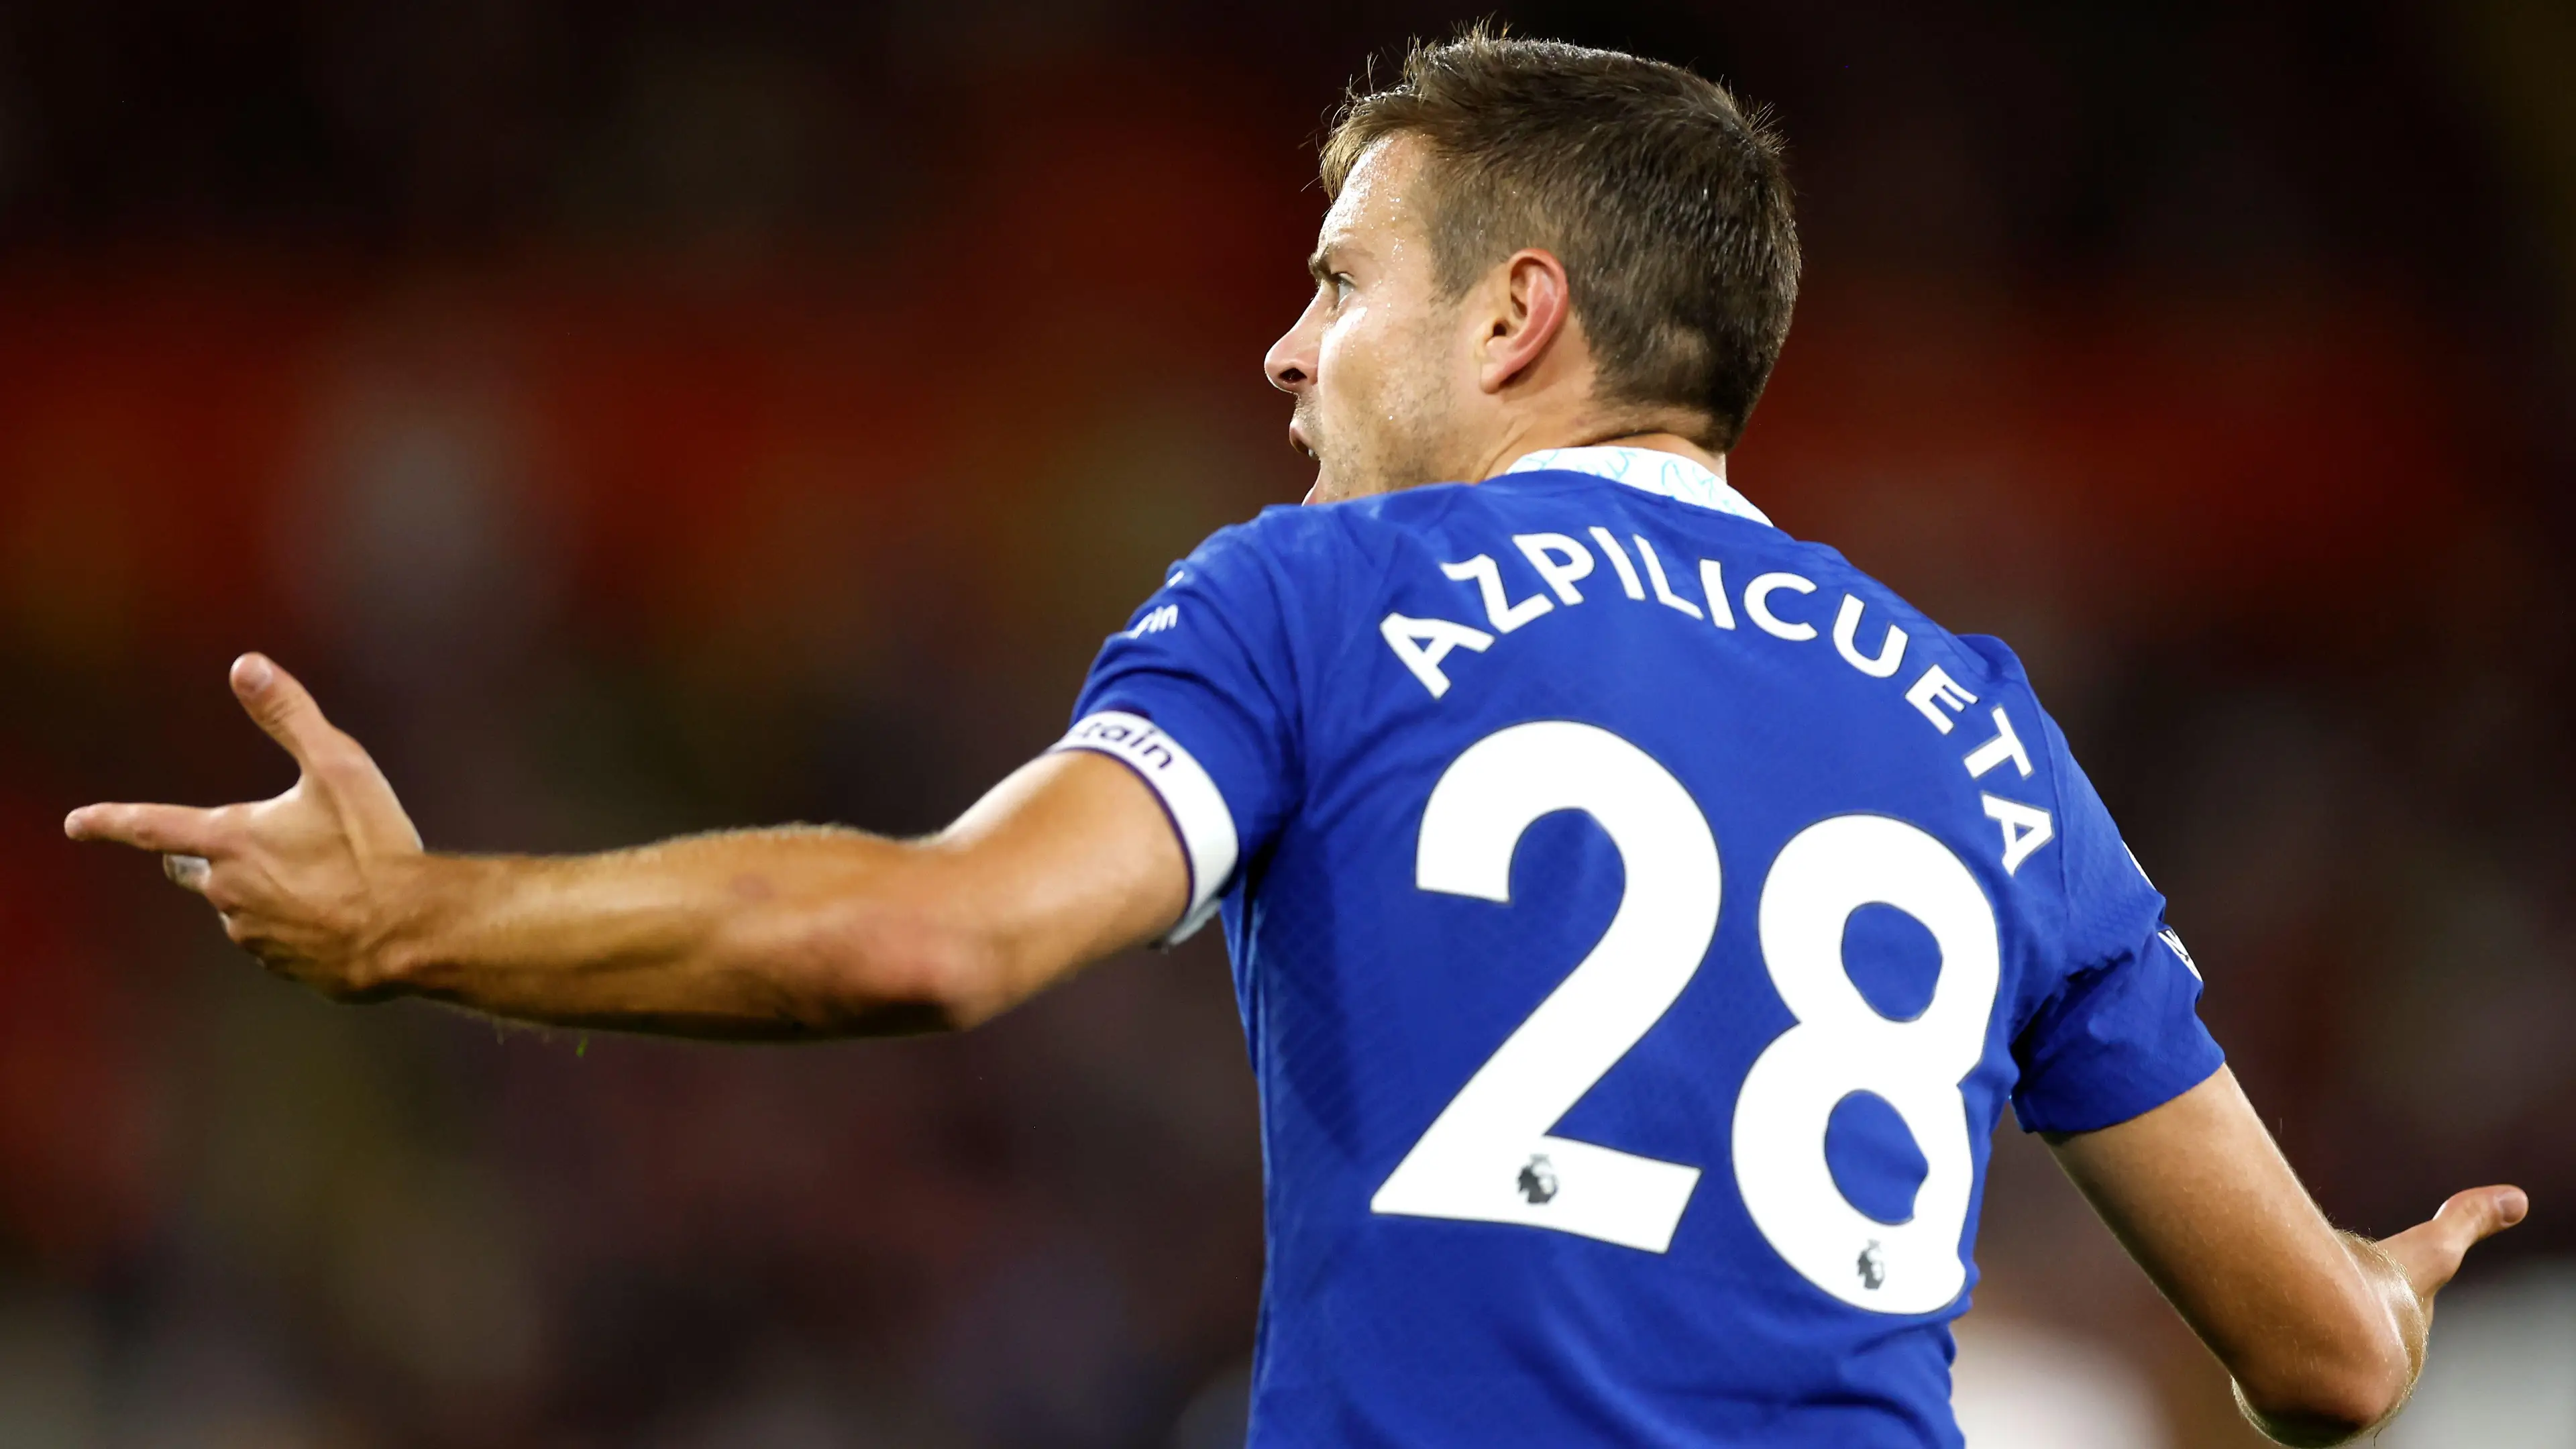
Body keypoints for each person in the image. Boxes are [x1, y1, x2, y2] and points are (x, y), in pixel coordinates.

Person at [66, 30, 2522, 1448]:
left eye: (1341, 280)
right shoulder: (1990, 737)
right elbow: (2315, 1357)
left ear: (1517, 318)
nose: (1282, 349)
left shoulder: (1340, 595)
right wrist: (2395, 1299)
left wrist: (418, 928)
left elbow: (929, 943)